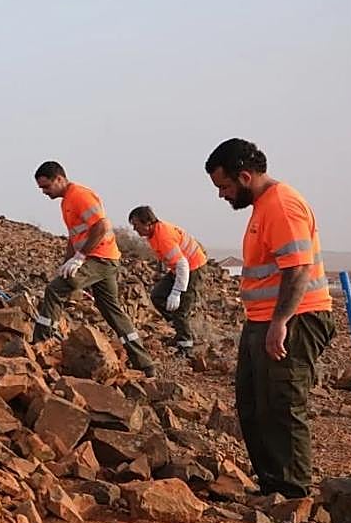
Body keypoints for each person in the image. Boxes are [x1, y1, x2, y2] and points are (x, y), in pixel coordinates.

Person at [206, 138, 334, 498]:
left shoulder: (282, 205)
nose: (222, 195)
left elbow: (298, 270)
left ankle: (291, 494)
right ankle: (271, 488)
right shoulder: (262, 207)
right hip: (264, 318)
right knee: (253, 405)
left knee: (281, 404)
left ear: (245, 177)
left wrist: (280, 323)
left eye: (225, 186)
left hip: (296, 318)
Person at [30, 161, 155, 376]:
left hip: (101, 258)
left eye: (46, 186)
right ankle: (145, 364)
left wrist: (79, 258)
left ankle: (40, 344)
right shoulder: (66, 201)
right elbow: (74, 236)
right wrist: (67, 262)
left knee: (55, 289)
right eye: (41, 188)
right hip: (102, 259)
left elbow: (102, 226)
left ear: (60, 179)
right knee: (112, 311)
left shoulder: (79, 195)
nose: (44, 192)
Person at [128, 206, 208, 356]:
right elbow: (166, 256)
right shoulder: (153, 234)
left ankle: (186, 346)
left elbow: (182, 264)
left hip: (193, 268)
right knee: (157, 296)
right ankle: (180, 329)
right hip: (178, 269)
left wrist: (177, 292)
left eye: (136, 225)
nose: (134, 229)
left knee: (181, 309)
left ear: (148, 222)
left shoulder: (163, 236)